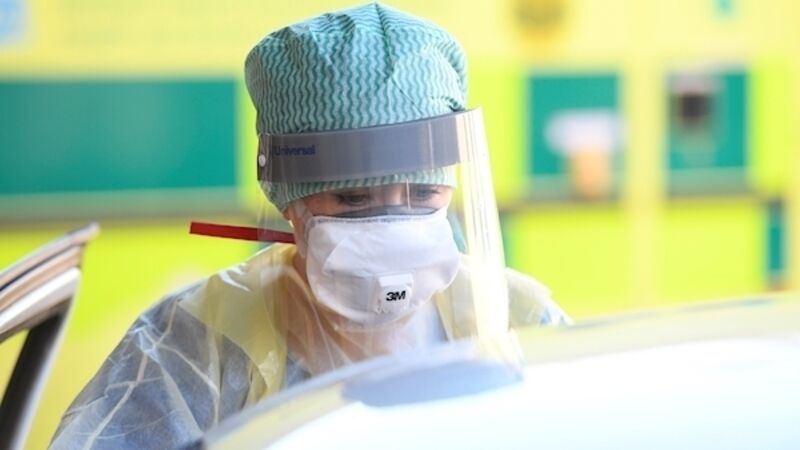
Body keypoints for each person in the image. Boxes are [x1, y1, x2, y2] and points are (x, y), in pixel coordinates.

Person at [49, 3, 569, 449]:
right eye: (353, 197)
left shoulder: (519, 322)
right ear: (288, 201)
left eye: (423, 194)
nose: (395, 227)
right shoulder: (200, 342)